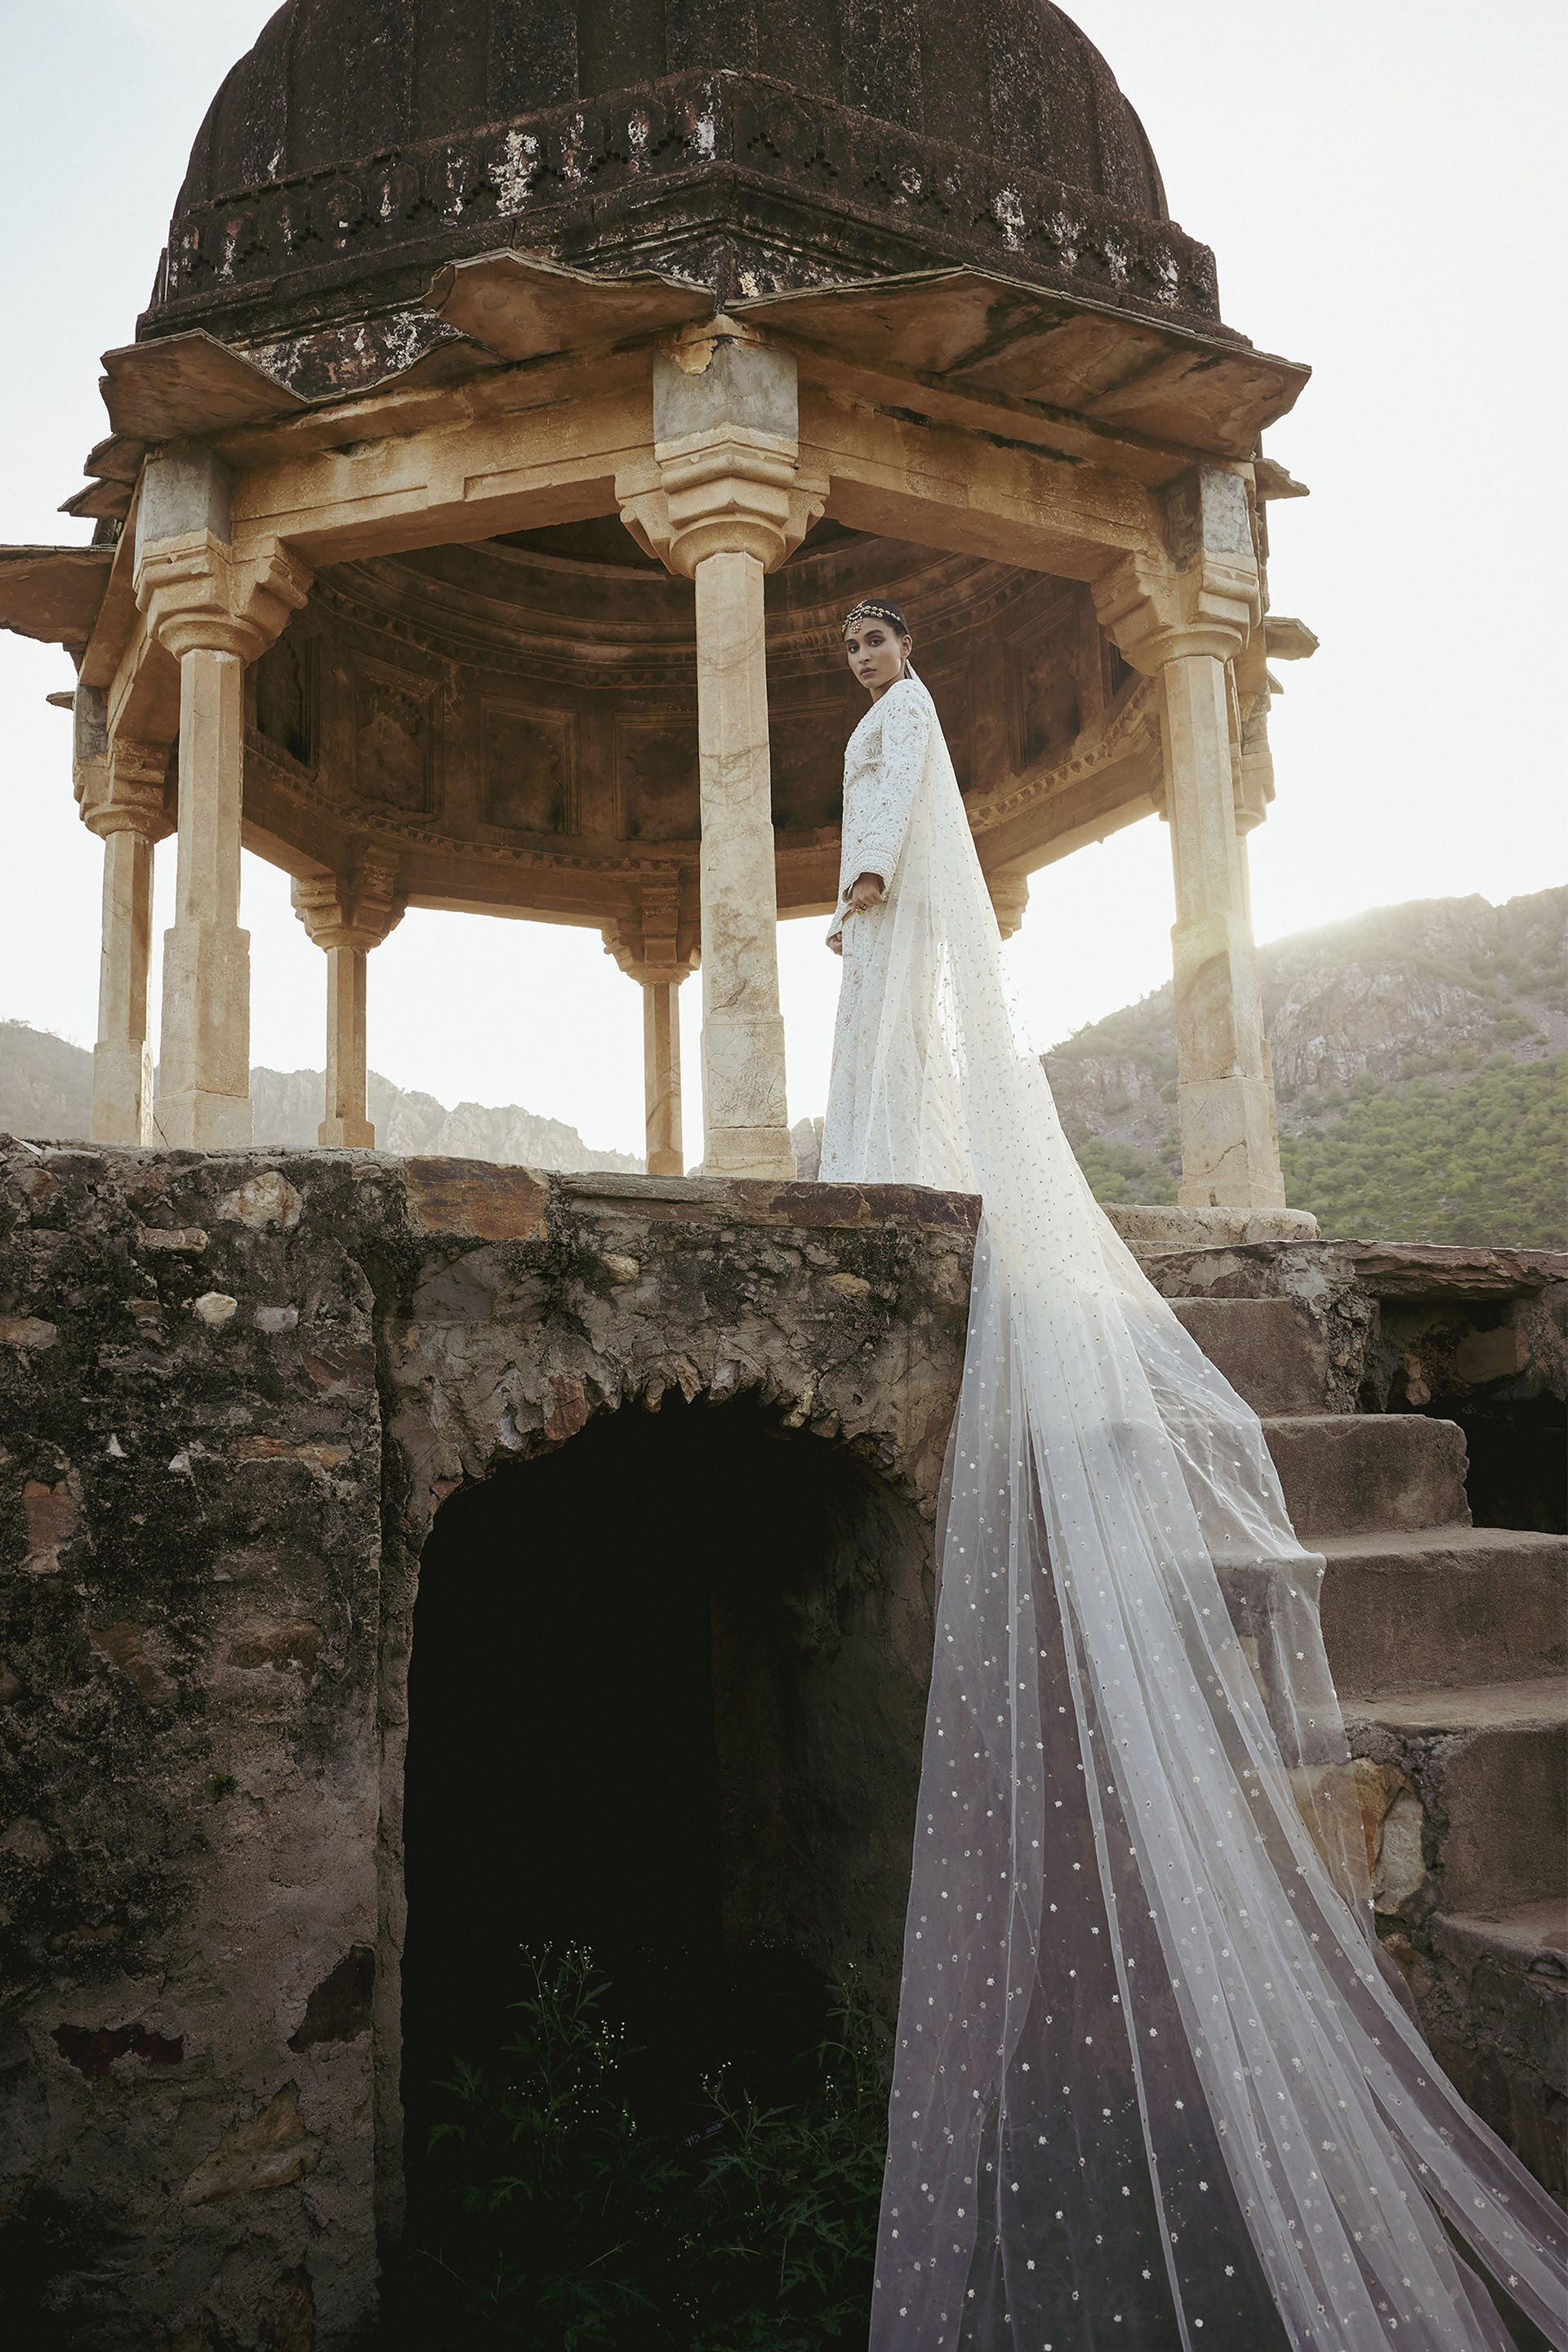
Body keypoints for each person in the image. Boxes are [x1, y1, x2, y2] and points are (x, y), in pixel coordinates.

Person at [822, 599, 1566, 2351]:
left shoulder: (912, 716)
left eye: (871, 634)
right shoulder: (882, 714)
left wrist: (858, 889)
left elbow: (882, 828)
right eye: (847, 643)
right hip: (877, 922)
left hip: (882, 914)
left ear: (898, 641)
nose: (860, 658)